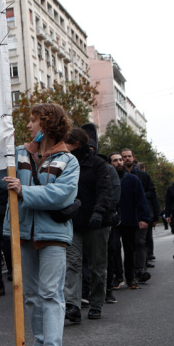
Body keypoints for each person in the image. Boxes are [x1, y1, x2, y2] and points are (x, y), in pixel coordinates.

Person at [0, 103, 79, 346]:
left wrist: (25, 191)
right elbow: (0, 172)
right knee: (31, 293)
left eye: (33, 121)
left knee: (50, 292)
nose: (29, 126)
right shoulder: (18, 153)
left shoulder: (69, 161)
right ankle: (40, 342)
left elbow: (63, 195)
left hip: (53, 235)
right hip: (22, 233)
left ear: (46, 124)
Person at [64, 129, 112, 321]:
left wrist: (99, 212)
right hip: (74, 222)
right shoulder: (67, 164)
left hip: (96, 223)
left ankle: (96, 303)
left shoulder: (99, 164)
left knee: (97, 266)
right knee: (72, 264)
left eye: (67, 143)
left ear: (76, 144)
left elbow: (105, 190)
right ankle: (73, 306)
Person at [108, 152, 151, 289]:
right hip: (113, 221)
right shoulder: (107, 179)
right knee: (114, 248)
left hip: (130, 220)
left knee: (130, 249)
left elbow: (141, 199)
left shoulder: (132, 179)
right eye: (115, 160)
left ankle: (131, 277)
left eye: (120, 159)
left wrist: (144, 218)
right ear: (110, 164)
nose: (119, 162)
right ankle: (118, 276)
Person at [122, 149, 159, 270]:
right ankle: (128, 269)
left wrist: (151, 215)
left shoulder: (143, 176)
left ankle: (140, 269)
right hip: (124, 215)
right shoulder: (117, 175)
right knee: (127, 244)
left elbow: (151, 193)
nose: (127, 158)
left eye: (129, 156)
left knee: (140, 242)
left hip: (140, 214)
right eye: (124, 157)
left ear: (133, 157)